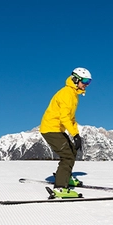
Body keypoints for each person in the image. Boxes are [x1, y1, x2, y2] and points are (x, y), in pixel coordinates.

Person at [39, 67, 92, 198]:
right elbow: (64, 118)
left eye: (89, 81)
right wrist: (74, 134)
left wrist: (77, 134)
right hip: (51, 128)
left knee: (72, 151)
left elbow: (71, 118)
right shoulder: (67, 94)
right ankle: (60, 188)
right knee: (67, 155)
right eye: (84, 80)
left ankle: (66, 177)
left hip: (57, 128)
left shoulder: (73, 95)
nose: (86, 84)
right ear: (76, 79)